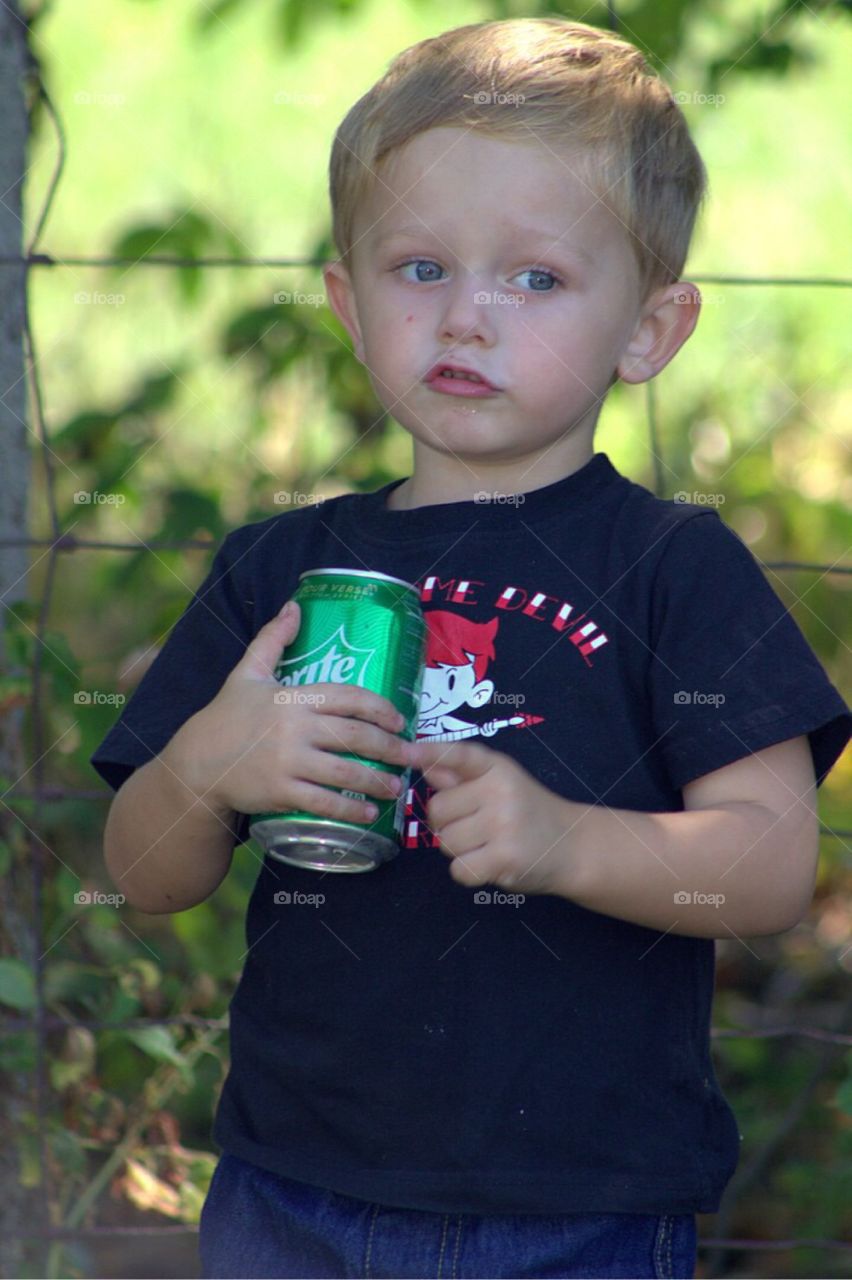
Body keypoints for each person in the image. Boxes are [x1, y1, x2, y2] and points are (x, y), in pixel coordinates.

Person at [91, 16, 852, 1280]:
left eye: (537, 278)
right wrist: (203, 770)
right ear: (345, 300)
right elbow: (141, 872)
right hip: (292, 1185)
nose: (468, 317)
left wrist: (566, 840)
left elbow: (771, 871)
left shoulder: (672, 568)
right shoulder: (282, 568)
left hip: (579, 1205)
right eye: (420, 268)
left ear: (649, 331)